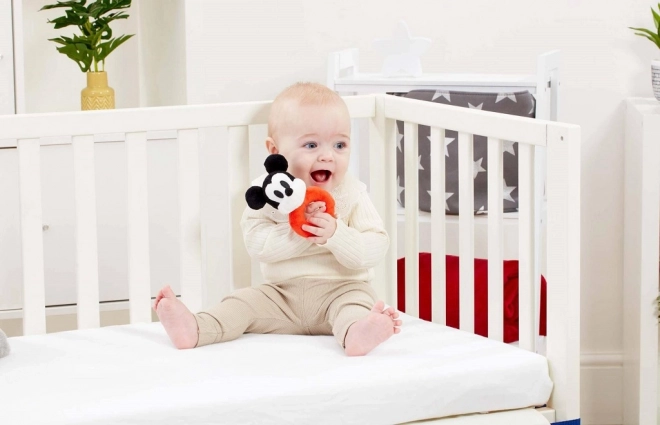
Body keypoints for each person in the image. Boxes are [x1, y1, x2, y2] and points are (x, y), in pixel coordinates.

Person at [154, 82, 401, 356]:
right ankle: (197, 328)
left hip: (342, 290)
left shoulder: (352, 193)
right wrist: (299, 232)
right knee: (241, 302)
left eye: (340, 144)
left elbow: (375, 246)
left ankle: (356, 333)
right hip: (281, 296)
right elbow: (257, 244)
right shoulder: (267, 195)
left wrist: (335, 234)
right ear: (275, 151)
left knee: (356, 305)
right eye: (311, 144)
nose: (327, 156)